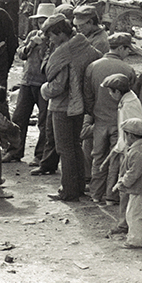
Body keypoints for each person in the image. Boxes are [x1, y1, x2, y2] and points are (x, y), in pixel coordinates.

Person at [40, 14, 102, 201]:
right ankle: (78, 187)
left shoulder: (64, 53)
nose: (50, 39)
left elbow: (57, 86)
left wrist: (44, 90)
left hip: (62, 107)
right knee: (75, 146)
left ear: (60, 33)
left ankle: (68, 191)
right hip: (80, 105)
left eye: (51, 35)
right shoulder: (83, 46)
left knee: (64, 149)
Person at [83, 33, 137, 204]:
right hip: (119, 122)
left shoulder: (92, 67)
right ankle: (111, 196)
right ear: (120, 48)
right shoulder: (128, 70)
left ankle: (95, 194)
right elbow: (131, 96)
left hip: (99, 120)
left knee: (98, 157)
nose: (128, 53)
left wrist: (94, 114)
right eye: (127, 49)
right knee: (116, 159)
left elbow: (88, 96)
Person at [5, 3, 55, 164]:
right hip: (27, 81)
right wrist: (30, 44)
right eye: (40, 21)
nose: (42, 25)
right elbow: (21, 54)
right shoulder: (33, 34)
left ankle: (40, 155)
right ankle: (14, 151)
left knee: (44, 121)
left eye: (45, 21)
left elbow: (51, 61)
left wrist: (43, 45)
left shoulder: (54, 39)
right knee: (19, 118)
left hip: (44, 83)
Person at [100, 73, 142, 234]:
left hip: (131, 150)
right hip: (127, 148)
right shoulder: (127, 100)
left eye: (111, 91)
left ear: (118, 92)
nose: (110, 94)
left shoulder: (129, 106)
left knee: (126, 188)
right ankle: (125, 222)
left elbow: (136, 130)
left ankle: (123, 224)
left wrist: (125, 151)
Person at [112, 117, 142, 249]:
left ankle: (135, 241)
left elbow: (134, 172)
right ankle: (139, 238)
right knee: (139, 214)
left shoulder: (137, 152)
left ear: (130, 135)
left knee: (134, 215)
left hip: (140, 189)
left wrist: (123, 183)